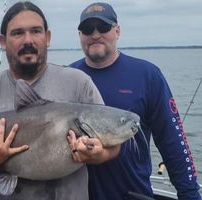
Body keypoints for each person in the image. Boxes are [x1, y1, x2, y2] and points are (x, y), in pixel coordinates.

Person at [0, 2, 120, 200]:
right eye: (17, 33)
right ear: (3, 41)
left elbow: (113, 142)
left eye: (36, 31)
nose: (28, 40)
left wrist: (100, 155)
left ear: (47, 37)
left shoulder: (79, 83)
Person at [70, 2, 201, 199]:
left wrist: (189, 193)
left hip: (131, 194)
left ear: (117, 31)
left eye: (103, 27)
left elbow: (172, 140)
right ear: (80, 35)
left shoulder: (147, 76)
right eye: (88, 29)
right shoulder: (67, 77)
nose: (95, 34)